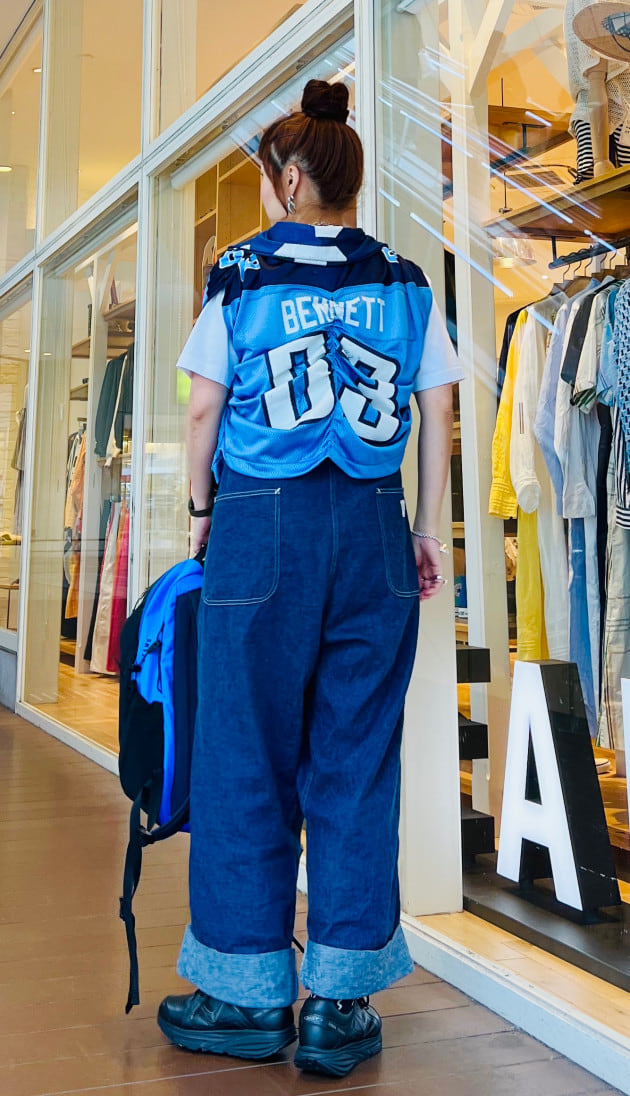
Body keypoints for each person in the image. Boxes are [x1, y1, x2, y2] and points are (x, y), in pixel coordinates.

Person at [157, 79, 464, 1079]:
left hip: (261, 526)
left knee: (243, 752)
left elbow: (203, 408)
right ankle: (340, 1001)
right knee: (356, 757)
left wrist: (200, 508)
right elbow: (440, 410)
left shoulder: (241, 273)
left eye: (265, 178)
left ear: (291, 179)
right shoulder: (406, 279)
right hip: (373, 527)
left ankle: (246, 996)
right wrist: (426, 530)